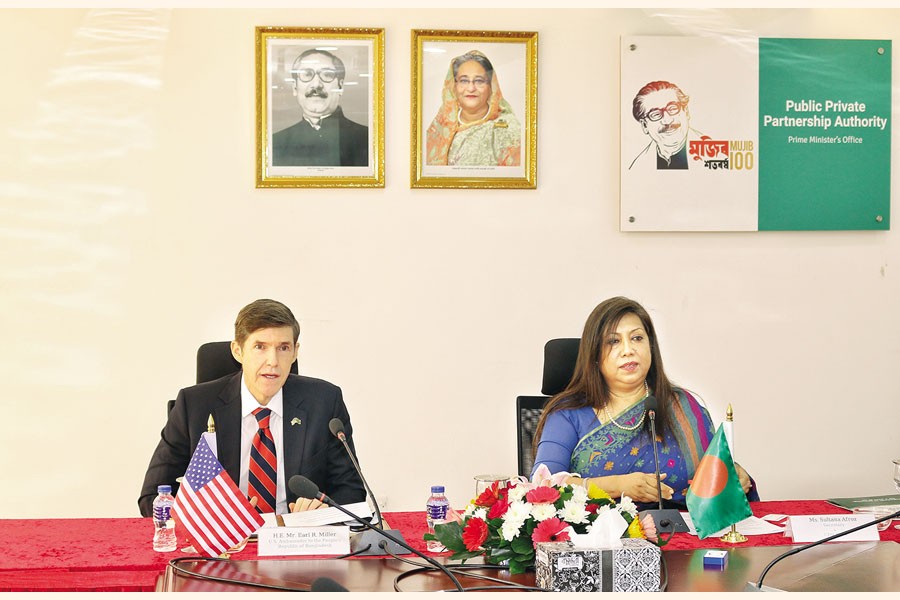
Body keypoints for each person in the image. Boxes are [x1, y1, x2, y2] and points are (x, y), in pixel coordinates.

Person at [139, 299, 365, 516]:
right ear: (237, 351)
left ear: (295, 352)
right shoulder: (194, 406)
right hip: (225, 538)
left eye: (283, 348)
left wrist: (323, 511)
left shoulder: (324, 403)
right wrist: (211, 514)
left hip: (296, 536)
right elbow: (153, 496)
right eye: (260, 347)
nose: (273, 361)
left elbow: (351, 490)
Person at [531, 296, 758, 509]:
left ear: (651, 346)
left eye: (637, 338)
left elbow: (714, 475)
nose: (628, 350)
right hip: (604, 534)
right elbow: (544, 485)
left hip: (684, 532)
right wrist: (617, 486)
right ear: (595, 355)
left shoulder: (682, 406)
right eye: (613, 341)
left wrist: (734, 475)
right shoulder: (567, 414)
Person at [272, 49, 368, 167]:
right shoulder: (275, 143)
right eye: (307, 74)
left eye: (327, 74)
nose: (316, 84)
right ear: (295, 87)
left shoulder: (368, 140)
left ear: (340, 86)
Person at [425, 50, 521, 167]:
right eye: (464, 81)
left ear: (491, 86)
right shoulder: (439, 127)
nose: (471, 88)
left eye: (479, 81)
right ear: (453, 86)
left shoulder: (509, 129)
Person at [628, 80, 705, 171]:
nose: (667, 120)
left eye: (672, 109)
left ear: (686, 112)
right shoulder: (637, 167)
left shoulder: (713, 154)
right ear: (644, 125)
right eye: (656, 114)